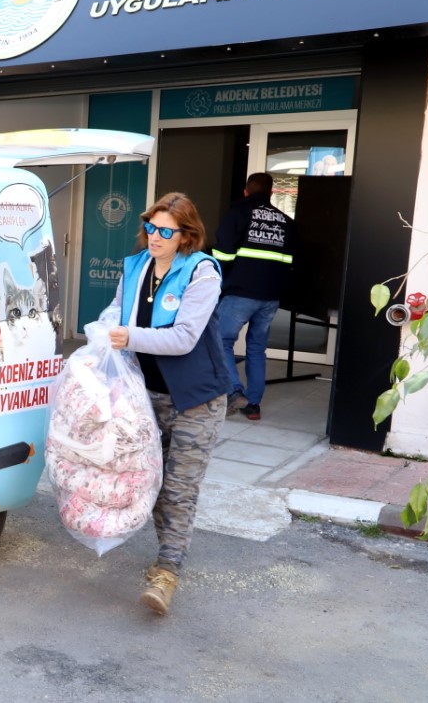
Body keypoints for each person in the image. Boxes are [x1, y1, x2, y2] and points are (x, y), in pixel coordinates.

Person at [106, 192, 228, 616]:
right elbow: (115, 313)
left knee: (179, 488)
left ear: (186, 236)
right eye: (151, 228)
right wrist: (101, 332)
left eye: (165, 231)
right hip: (147, 395)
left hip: (197, 399)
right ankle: (168, 554)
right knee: (151, 482)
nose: (154, 237)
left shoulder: (202, 273)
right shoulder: (135, 266)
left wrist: (129, 336)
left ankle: (166, 571)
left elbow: (183, 338)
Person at [214, 172, 295, 421]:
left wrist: (218, 284)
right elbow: (290, 261)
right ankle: (254, 405)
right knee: (257, 348)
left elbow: (223, 254)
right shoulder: (285, 221)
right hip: (270, 296)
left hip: (240, 292)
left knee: (220, 340)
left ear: (246, 191)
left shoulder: (238, 213)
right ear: (271, 193)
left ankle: (235, 391)